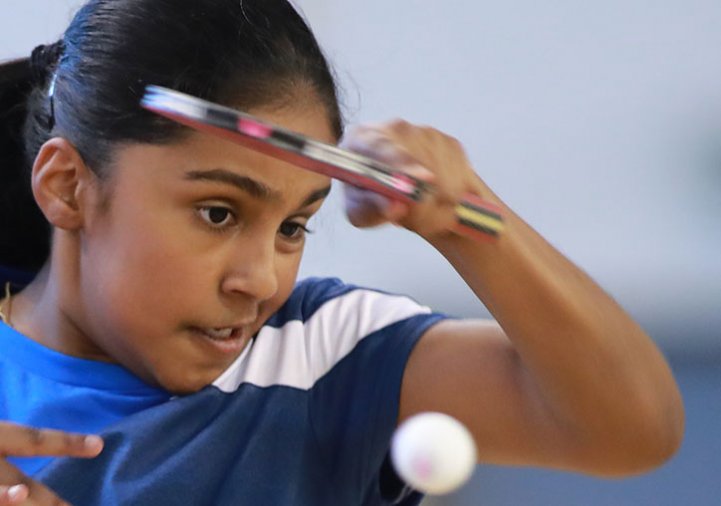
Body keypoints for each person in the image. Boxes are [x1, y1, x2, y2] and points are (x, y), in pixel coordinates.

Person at [0, 0, 684, 505]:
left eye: (293, 227)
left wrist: (476, 224)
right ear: (68, 187)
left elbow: (630, 429)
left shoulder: (324, 356)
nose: (258, 279)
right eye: (218, 213)